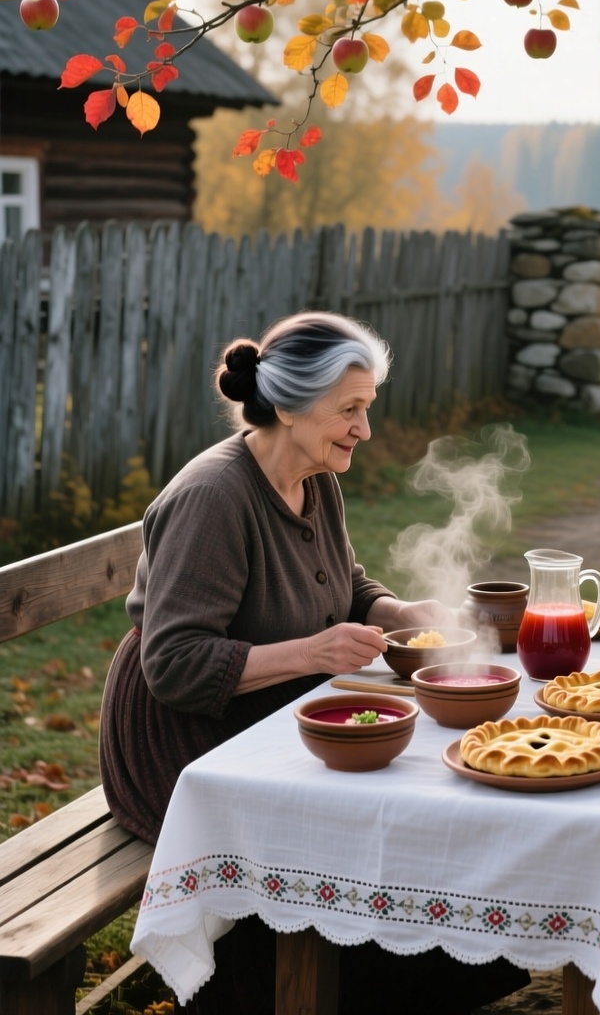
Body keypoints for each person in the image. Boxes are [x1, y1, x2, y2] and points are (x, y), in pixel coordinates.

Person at [100, 311, 527, 1014]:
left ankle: (393, 965)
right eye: (350, 410)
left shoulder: (315, 477)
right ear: (292, 408)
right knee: (355, 821)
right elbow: (171, 664)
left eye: (367, 409)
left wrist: (397, 613)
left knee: (410, 790)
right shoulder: (214, 497)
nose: (364, 429)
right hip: (184, 748)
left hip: (266, 716)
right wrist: (314, 651)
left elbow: (347, 583)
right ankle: (305, 986)